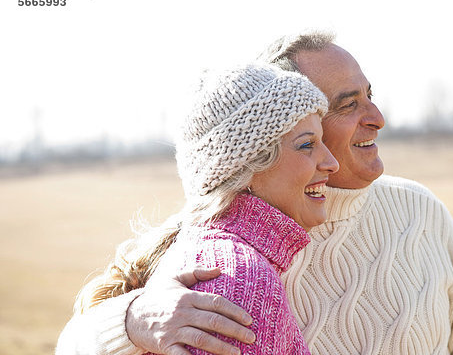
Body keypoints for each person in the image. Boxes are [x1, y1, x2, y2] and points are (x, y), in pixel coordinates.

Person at [57, 31, 453, 354]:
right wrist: (132, 321)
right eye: (347, 104)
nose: (377, 117)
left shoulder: (421, 212)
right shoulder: (219, 253)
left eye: (370, 95)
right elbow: (71, 345)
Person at [56, 62, 340, 354]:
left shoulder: (219, 256)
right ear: (246, 168)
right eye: (307, 145)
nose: (332, 163)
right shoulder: (238, 281)